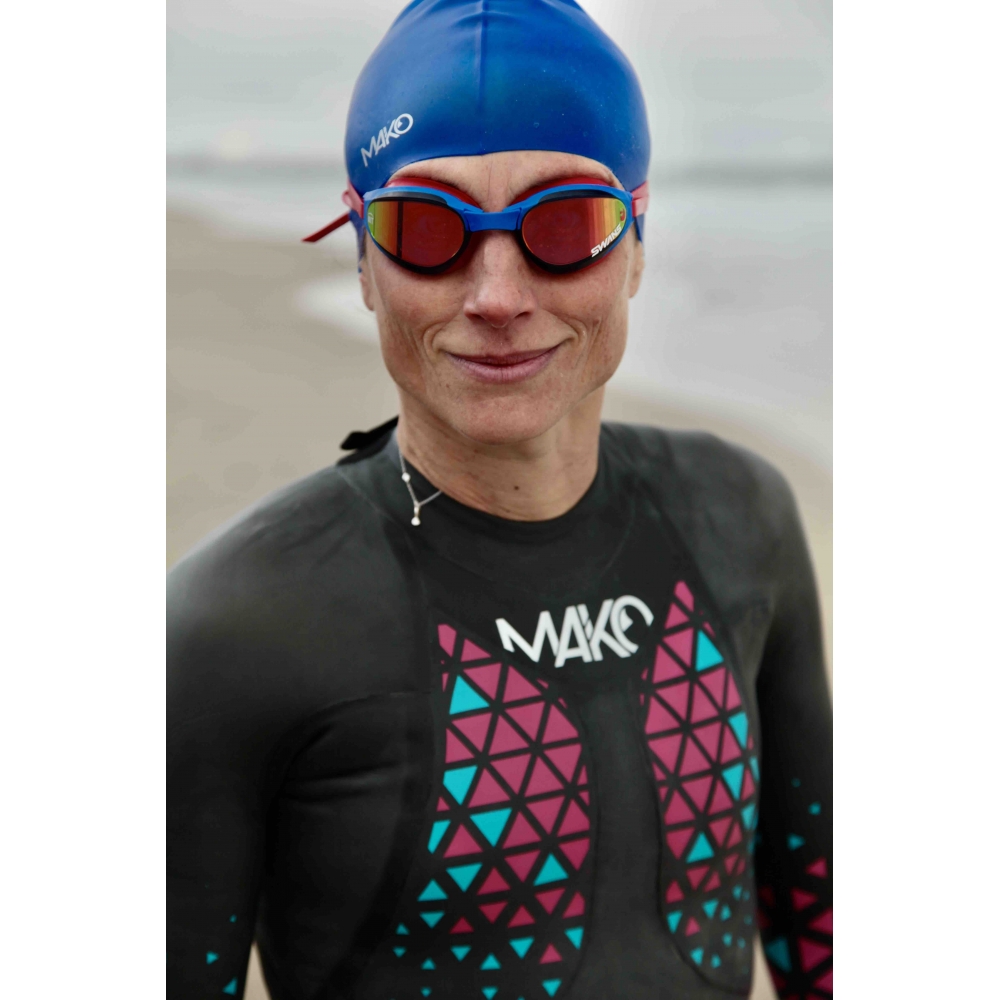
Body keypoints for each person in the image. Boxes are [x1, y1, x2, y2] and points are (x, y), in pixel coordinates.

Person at [166, 2, 832, 998]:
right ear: (362, 259)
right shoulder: (235, 623)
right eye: (426, 229)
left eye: (563, 223)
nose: (497, 294)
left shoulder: (742, 518)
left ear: (637, 243)